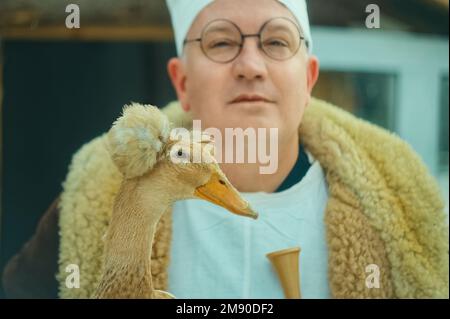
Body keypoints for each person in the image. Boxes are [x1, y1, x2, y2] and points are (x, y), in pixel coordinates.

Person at [3, 0, 448, 299]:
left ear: (309, 79)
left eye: (276, 42)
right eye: (221, 42)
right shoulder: (94, 201)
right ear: (182, 83)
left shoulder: (401, 214)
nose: (251, 66)